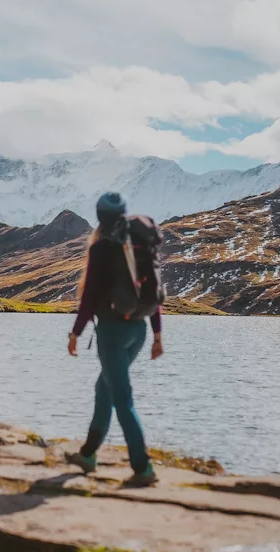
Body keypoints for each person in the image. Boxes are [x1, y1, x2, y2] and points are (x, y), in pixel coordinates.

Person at [66, 192, 163, 487]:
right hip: (139, 332)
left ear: (98, 216)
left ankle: (142, 467)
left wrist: (75, 333)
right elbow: (153, 292)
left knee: (122, 398)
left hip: (111, 332)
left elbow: (89, 297)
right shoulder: (139, 244)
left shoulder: (103, 248)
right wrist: (158, 335)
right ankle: (88, 454)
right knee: (103, 388)